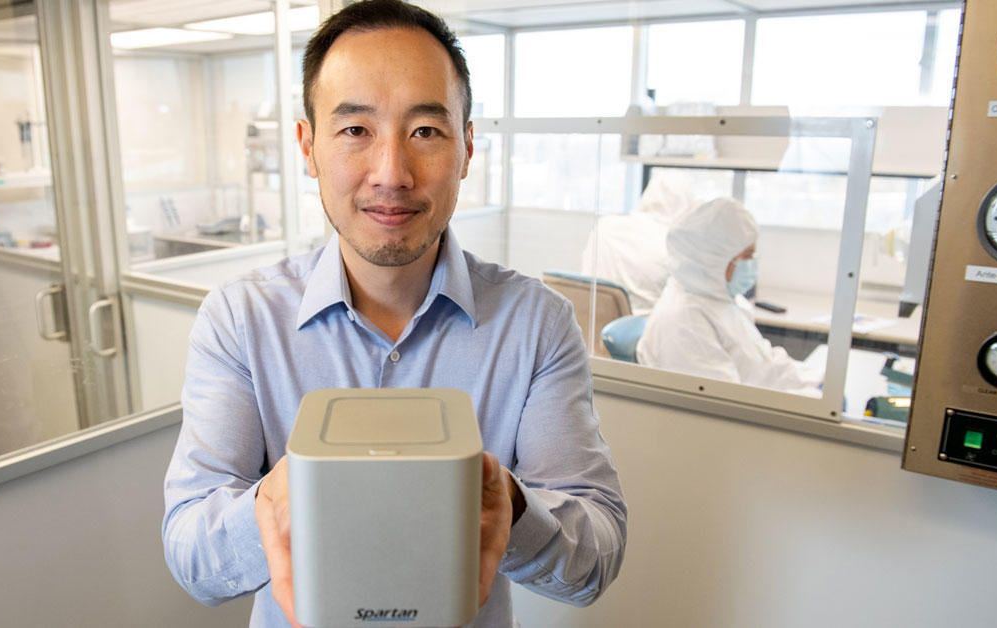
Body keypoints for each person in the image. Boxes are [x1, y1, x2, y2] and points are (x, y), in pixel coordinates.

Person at [161, 2, 628, 626]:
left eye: (426, 131)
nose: (392, 174)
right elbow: (192, 556)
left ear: (466, 148)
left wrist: (508, 507)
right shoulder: (240, 320)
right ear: (308, 146)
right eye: (355, 130)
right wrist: (272, 505)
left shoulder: (536, 324)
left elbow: (594, 560)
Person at [636, 197, 822, 396]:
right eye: (747, 255)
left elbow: (763, 363)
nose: (752, 263)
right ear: (713, 259)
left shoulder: (718, 299)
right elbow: (725, 401)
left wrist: (817, 381)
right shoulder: (685, 322)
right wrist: (811, 400)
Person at [580, 175, 695, 314]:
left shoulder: (604, 225)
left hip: (591, 321)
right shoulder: (670, 242)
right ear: (686, 204)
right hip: (640, 329)